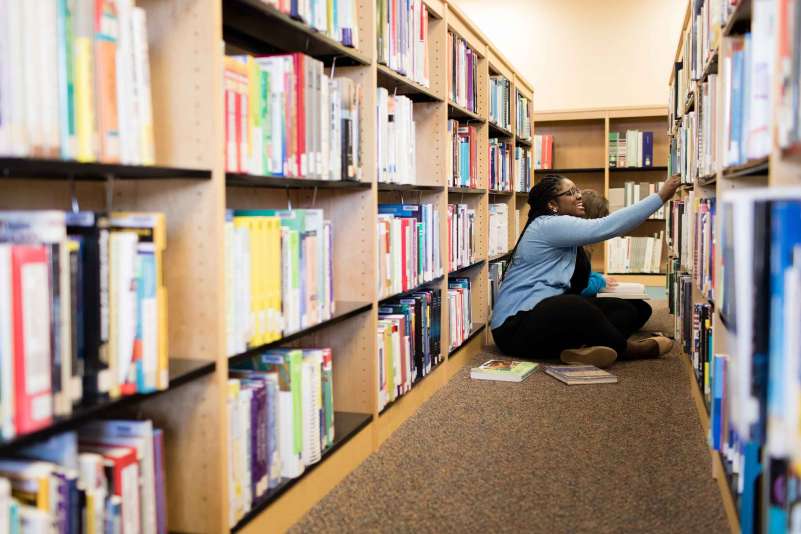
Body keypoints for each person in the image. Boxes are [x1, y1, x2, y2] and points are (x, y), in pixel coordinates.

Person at [490, 174, 679, 368]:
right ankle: (625, 350)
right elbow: (608, 226)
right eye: (571, 192)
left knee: (634, 308)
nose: (579, 196)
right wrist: (660, 196)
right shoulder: (547, 225)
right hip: (514, 327)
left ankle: (581, 350)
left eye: (578, 190)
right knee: (573, 305)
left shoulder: (563, 230)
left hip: (544, 321)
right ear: (553, 205)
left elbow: (578, 282)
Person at [578, 189, 653, 335]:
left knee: (643, 309)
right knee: (625, 311)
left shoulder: (585, 245)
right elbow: (579, 285)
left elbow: (581, 273)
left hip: (585, 295)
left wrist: (597, 277)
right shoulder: (577, 245)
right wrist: (601, 282)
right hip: (578, 299)